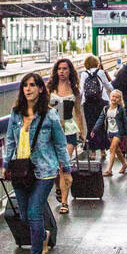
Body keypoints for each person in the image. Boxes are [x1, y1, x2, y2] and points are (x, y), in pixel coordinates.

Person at [2, 73, 71, 254]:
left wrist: (66, 170)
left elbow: (59, 144)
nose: (28, 89)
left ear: (41, 89)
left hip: (44, 171)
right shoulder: (15, 114)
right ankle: (44, 235)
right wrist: (6, 165)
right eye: (25, 85)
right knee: (24, 215)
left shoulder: (50, 115)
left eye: (33, 85)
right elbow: (10, 141)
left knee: (34, 213)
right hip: (20, 171)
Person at [46, 57, 86, 214]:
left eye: (65, 69)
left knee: (64, 165)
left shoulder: (75, 91)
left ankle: (64, 201)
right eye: (59, 69)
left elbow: (77, 112)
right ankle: (58, 186)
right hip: (52, 130)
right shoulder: (50, 88)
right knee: (55, 166)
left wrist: (82, 132)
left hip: (69, 130)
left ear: (70, 71)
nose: (62, 72)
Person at [96, 90, 127, 176]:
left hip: (118, 132)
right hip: (110, 131)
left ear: (120, 99)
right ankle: (124, 164)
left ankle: (109, 170)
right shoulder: (106, 108)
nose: (114, 98)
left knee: (112, 148)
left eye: (117, 97)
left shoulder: (121, 109)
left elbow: (125, 122)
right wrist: (94, 129)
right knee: (117, 150)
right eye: (113, 96)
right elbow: (101, 119)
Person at [80, 54, 112, 136]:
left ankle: (92, 147)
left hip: (87, 102)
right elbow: (107, 86)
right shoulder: (100, 72)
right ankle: (102, 147)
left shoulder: (84, 74)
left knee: (90, 124)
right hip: (101, 100)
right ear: (96, 63)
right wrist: (115, 91)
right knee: (101, 124)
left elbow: (81, 89)